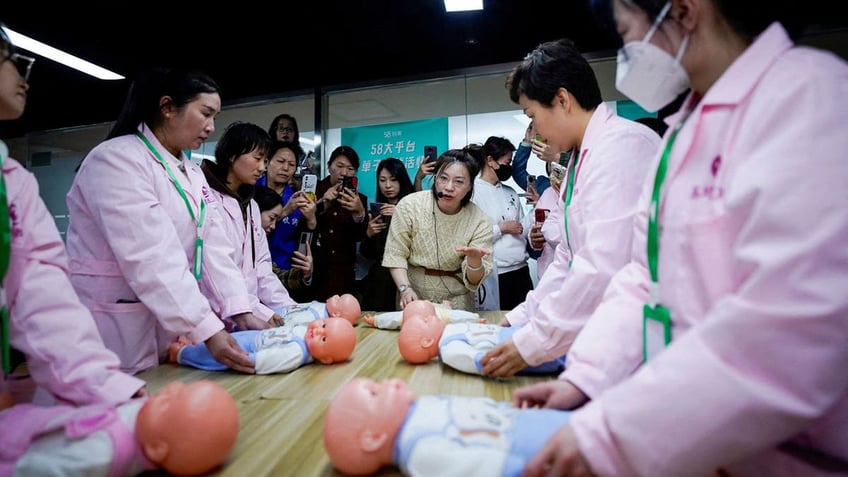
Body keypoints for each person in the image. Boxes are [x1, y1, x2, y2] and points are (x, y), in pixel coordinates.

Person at [514, 1, 848, 476]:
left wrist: (611, 431)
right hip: (690, 431)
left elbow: (790, 328)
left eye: (628, 31)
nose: (627, 52)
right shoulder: (686, 129)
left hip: (789, 453)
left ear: (685, 11)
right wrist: (587, 376)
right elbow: (644, 276)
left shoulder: (809, 96)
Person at [480, 38, 661, 378]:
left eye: (533, 117)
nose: (536, 131)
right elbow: (567, 257)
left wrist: (532, 342)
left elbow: (599, 268)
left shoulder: (621, 148)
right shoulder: (581, 160)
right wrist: (519, 319)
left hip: (641, 342)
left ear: (562, 100)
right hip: (608, 340)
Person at [65, 68, 264, 376]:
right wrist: (207, 329)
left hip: (168, 322)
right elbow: (151, 256)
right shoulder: (116, 160)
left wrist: (240, 310)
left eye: (215, 117)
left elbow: (212, 247)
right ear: (168, 107)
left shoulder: (192, 172)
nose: (211, 127)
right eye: (206, 114)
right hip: (114, 322)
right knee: (111, 408)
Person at [0, 23, 146, 407]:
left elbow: (43, 290)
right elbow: (149, 254)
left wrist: (101, 386)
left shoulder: (13, 180)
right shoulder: (112, 159)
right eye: (11, 61)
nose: (23, 76)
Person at [322, 376, 572, 477]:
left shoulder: (420, 407)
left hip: (531, 421)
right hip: (547, 451)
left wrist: (507, 409)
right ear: (374, 437)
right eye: (375, 393)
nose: (387, 382)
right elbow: (486, 469)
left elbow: (469, 408)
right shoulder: (421, 451)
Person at [0, 380, 239, 476]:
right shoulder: (148, 427)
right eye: (180, 389)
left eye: (168, 401)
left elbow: (40, 469)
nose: (170, 387)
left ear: (157, 449)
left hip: (14, 443)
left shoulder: (102, 452)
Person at [201, 121, 298, 326]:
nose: (262, 167)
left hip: (247, 313)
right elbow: (218, 270)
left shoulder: (252, 205)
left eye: (265, 160)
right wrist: (257, 312)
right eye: (257, 158)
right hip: (216, 315)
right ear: (232, 155)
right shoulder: (208, 200)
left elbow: (262, 268)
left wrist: (290, 309)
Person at [383, 148, 493, 311]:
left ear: (470, 186)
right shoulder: (409, 205)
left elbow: (474, 280)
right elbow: (395, 254)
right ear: (435, 179)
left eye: (459, 181)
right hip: (413, 295)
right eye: (443, 178)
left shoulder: (479, 220)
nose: (449, 187)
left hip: (457, 299)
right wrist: (405, 289)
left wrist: (475, 262)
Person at [469, 137, 535, 311]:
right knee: (497, 324)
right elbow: (470, 237)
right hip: (495, 274)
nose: (510, 167)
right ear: (490, 161)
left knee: (524, 322)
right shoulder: (473, 192)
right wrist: (501, 229)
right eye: (507, 161)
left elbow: (522, 228)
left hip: (521, 270)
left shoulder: (510, 192)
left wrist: (538, 206)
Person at [397, 310, 564, 375]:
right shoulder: (449, 347)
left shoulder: (450, 330)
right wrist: (492, 362)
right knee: (562, 354)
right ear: (427, 341)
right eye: (426, 321)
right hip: (518, 351)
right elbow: (475, 359)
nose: (431, 316)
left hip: (519, 335)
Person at [169, 317, 356, 374]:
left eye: (324, 339)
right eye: (323, 325)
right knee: (221, 338)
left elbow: (268, 360)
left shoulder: (296, 352)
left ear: (324, 359)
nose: (318, 331)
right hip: (255, 336)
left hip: (249, 350)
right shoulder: (305, 333)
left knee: (213, 355)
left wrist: (248, 359)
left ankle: (182, 354)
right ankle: (195, 342)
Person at [312, 145, 369, 301]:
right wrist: (322, 203)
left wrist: (359, 213)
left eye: (350, 168)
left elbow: (360, 236)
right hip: (315, 270)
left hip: (343, 274)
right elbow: (304, 226)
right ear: (329, 166)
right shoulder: (314, 190)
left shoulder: (360, 199)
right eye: (339, 166)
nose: (344, 172)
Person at [257, 140, 317, 284]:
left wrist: (311, 221)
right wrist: (284, 212)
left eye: (291, 165)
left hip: (286, 277)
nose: (285, 168)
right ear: (267, 162)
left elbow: (305, 243)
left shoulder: (298, 198)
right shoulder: (251, 191)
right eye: (280, 161)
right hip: (253, 271)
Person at [358, 157, 414, 311]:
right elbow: (367, 254)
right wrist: (369, 234)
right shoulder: (376, 211)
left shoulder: (413, 207)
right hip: (379, 282)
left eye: (393, 179)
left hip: (406, 278)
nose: (387, 185)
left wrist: (401, 214)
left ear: (401, 180)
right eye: (382, 180)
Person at [253, 184, 314, 301]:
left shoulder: (259, 244)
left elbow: (273, 277)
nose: (273, 226)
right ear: (254, 211)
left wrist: (304, 274)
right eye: (272, 218)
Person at [362, 299, 482, 330]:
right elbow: (391, 318)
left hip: (430, 308)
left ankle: (444, 304)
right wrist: (375, 321)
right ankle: (445, 304)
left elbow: (459, 316)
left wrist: (476, 320)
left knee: (447, 311)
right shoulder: (406, 318)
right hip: (422, 308)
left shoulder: (440, 314)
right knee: (448, 311)